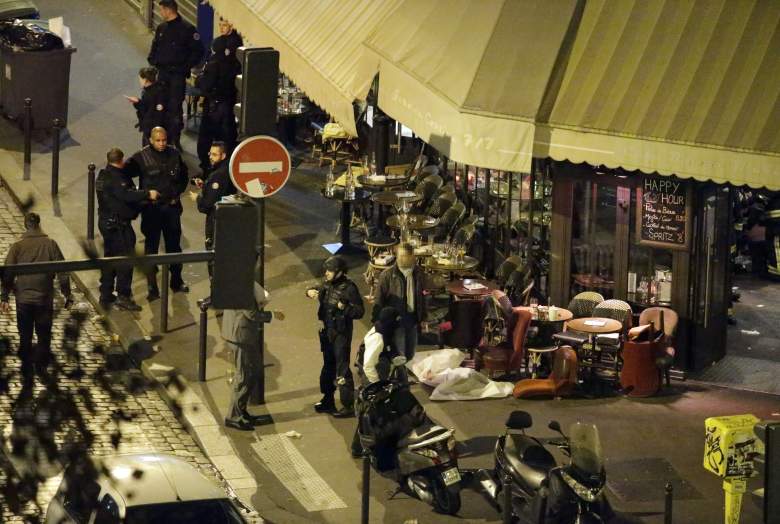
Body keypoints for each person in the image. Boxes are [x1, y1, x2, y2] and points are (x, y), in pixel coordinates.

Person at [1, 213, 72, 384]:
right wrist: (67, 293)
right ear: (39, 224)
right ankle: (42, 367)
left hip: (24, 299)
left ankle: (26, 365)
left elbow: (8, 273)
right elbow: (63, 270)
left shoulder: (17, 246)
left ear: (26, 225)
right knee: (44, 333)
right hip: (44, 298)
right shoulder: (50, 244)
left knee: (24, 334)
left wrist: (4, 296)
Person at [124, 126, 190, 300]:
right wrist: (140, 195)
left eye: (164, 140)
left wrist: (177, 193)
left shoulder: (174, 155)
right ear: (151, 140)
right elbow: (124, 175)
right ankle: (152, 286)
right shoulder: (141, 157)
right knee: (151, 248)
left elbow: (183, 176)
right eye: (158, 140)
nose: (161, 143)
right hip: (152, 210)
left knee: (174, 247)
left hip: (172, 208)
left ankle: (176, 281)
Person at [96, 148, 160, 310]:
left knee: (110, 258)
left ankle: (106, 292)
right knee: (126, 260)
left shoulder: (103, 175)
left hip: (106, 222)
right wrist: (147, 194)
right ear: (121, 160)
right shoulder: (117, 178)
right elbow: (126, 195)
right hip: (118, 226)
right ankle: (123, 296)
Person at [306, 256, 364, 417]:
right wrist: (309, 291)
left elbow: (359, 312)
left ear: (339, 272)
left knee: (342, 369)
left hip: (341, 333)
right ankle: (328, 399)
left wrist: (344, 308)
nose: (326, 273)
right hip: (327, 331)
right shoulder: (327, 284)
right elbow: (317, 289)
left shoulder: (349, 288)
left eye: (330, 271)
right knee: (328, 367)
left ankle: (348, 405)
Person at [147, 0, 204, 148]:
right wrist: (153, 60)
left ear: (168, 10)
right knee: (160, 106)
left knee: (174, 109)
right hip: (163, 75)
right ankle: (160, 139)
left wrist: (184, 67)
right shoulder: (161, 28)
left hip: (177, 77)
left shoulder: (187, 29)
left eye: (162, 10)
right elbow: (155, 47)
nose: (160, 13)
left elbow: (198, 51)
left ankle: (174, 140)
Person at [222, 282, 270, 431]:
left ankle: (240, 411)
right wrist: (272, 315)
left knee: (251, 372)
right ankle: (234, 416)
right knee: (244, 376)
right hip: (241, 336)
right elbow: (252, 314)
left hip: (241, 335)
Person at [373, 243, 426, 363]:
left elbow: (421, 297)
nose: (400, 259)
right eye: (399, 255)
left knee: (410, 352)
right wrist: (377, 323)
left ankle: (405, 374)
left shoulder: (418, 273)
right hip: (397, 321)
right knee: (399, 353)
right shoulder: (387, 275)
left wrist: (423, 317)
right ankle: (400, 379)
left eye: (405, 256)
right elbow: (378, 300)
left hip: (412, 319)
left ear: (413, 257)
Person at [195, 37, 240, 172]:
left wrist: (199, 79)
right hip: (229, 105)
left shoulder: (213, 63)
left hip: (214, 107)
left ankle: (208, 167)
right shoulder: (236, 63)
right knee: (227, 137)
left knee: (207, 138)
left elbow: (206, 84)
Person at [194, 141, 236, 278]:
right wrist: (206, 186)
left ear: (223, 155)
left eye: (214, 154)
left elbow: (207, 205)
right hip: (227, 218)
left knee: (213, 256)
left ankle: (215, 293)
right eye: (210, 153)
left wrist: (197, 198)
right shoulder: (226, 168)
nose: (211, 157)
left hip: (216, 220)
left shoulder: (218, 174)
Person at [125, 67, 168, 146]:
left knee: (148, 149)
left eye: (140, 79)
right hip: (156, 127)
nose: (139, 81)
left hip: (151, 129)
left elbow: (147, 111)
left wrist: (138, 103)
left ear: (145, 80)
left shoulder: (149, 94)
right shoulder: (158, 88)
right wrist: (138, 101)